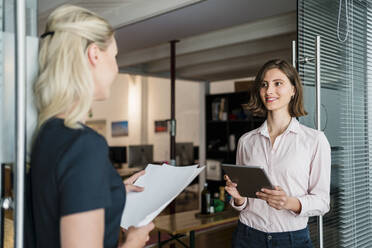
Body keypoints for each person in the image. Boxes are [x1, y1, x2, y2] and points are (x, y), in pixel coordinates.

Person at [28, 4, 154, 248]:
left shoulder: (47, 133)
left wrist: (114, 189)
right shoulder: (85, 144)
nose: (116, 68)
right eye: (114, 56)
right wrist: (134, 242)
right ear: (94, 54)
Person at [225, 59, 331, 248]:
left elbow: (322, 202)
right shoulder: (246, 141)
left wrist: (289, 202)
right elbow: (244, 201)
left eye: (278, 83)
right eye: (264, 85)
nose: (269, 91)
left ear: (293, 90)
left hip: (292, 239)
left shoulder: (314, 140)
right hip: (247, 236)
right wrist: (239, 198)